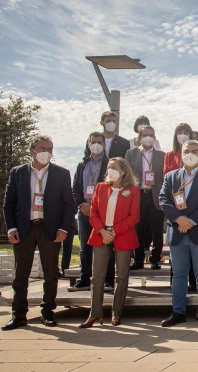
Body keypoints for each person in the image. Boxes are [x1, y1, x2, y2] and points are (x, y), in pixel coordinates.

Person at [2, 135, 76, 330]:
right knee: (21, 274)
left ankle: (48, 312)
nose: (46, 152)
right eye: (42, 147)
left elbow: (69, 204)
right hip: (24, 229)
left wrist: (63, 228)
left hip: (49, 229)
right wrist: (11, 228)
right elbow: (8, 204)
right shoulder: (17, 173)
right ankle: (18, 315)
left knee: (51, 273)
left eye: (50, 149)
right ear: (31, 150)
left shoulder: (61, 173)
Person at [160, 140, 198, 327]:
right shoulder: (171, 176)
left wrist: (191, 221)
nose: (190, 154)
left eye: (194, 151)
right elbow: (163, 199)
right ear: (180, 153)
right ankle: (178, 311)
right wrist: (179, 219)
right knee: (179, 274)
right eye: (187, 151)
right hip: (177, 232)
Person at [80, 158, 140, 328]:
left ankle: (116, 313)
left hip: (122, 235)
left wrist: (114, 231)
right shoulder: (100, 187)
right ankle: (95, 313)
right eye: (108, 167)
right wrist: (103, 231)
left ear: (123, 171)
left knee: (121, 276)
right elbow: (93, 213)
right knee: (97, 276)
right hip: (101, 235)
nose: (110, 170)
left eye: (114, 167)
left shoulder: (133, 190)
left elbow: (134, 216)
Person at [69, 133, 114, 292]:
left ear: (104, 145)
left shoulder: (110, 164)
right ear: (88, 144)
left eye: (99, 142)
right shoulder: (82, 165)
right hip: (84, 211)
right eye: (93, 142)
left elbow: (113, 188)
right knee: (84, 247)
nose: (96, 145)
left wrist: (96, 207)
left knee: (106, 245)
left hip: (103, 212)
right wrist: (82, 204)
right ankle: (84, 278)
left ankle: (109, 280)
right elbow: (75, 188)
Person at [125, 125, 166, 271]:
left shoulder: (162, 155)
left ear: (154, 138)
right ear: (139, 138)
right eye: (145, 135)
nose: (148, 138)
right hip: (139, 195)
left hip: (155, 195)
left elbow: (165, 177)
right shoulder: (131, 153)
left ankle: (155, 259)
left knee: (157, 229)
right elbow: (126, 175)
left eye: (151, 135)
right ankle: (138, 259)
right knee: (138, 229)